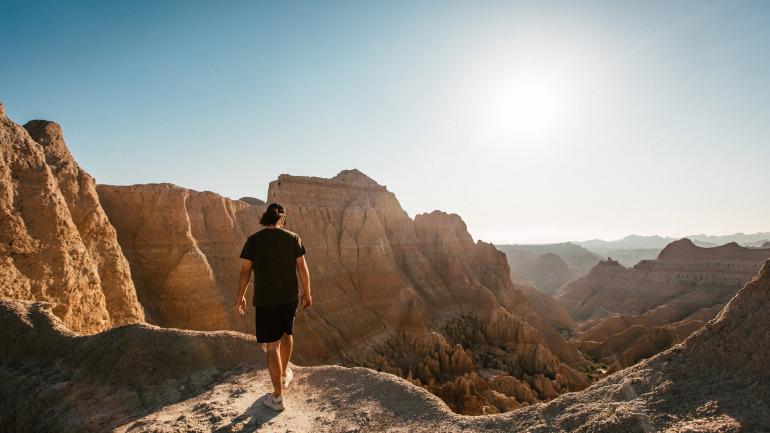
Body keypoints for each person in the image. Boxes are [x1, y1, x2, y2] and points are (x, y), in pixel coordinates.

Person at [235, 202, 312, 411]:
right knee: (287, 334)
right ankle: (284, 375)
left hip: (265, 300)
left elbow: (245, 272)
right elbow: (302, 267)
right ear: (282, 219)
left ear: (265, 218)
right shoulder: (293, 238)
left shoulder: (254, 241)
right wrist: (307, 291)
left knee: (272, 346)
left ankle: (277, 396)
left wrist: (240, 295)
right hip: (289, 298)